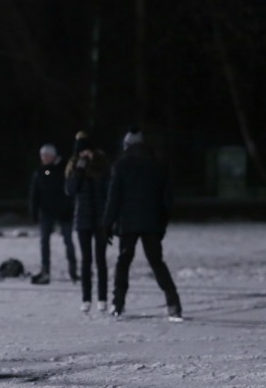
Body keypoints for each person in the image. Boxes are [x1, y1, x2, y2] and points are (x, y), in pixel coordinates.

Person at [103, 128, 183, 321]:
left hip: (128, 222)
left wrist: (107, 224)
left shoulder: (121, 166)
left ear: (126, 146)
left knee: (124, 261)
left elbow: (114, 198)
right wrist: (162, 222)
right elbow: (167, 199)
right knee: (156, 261)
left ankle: (118, 302)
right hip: (152, 222)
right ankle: (173, 303)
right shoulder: (157, 165)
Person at [64, 131, 111, 311]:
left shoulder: (102, 165)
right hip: (82, 220)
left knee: (101, 259)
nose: (84, 155)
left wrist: (110, 219)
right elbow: (70, 190)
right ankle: (86, 298)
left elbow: (109, 190)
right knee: (86, 260)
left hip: (100, 220)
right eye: (81, 152)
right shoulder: (74, 167)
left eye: (86, 151)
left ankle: (102, 298)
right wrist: (79, 171)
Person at [29, 143, 77, 285]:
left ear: (53, 156)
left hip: (64, 212)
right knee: (44, 242)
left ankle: (73, 271)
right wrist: (34, 211)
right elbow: (35, 193)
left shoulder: (63, 169)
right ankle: (45, 271)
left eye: (46, 155)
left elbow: (70, 191)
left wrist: (69, 207)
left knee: (68, 241)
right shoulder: (40, 171)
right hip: (46, 212)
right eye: (42, 155)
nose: (43, 158)